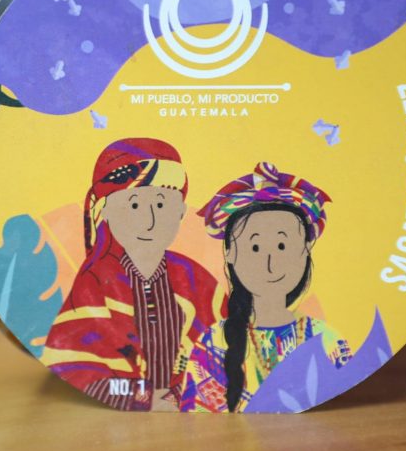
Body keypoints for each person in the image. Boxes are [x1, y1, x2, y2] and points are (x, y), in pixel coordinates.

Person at [41, 138, 226, 411]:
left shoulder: (196, 281)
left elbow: (226, 354)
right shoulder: (95, 283)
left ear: (180, 211)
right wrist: (146, 397)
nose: (149, 220)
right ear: (106, 212)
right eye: (134, 205)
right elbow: (78, 369)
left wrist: (188, 395)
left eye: (161, 205)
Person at [180, 161, 352, 413]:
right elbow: (198, 415)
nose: (270, 261)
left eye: (282, 246)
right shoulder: (214, 343)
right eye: (255, 247)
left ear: (305, 250)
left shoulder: (326, 341)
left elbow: (339, 406)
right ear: (230, 253)